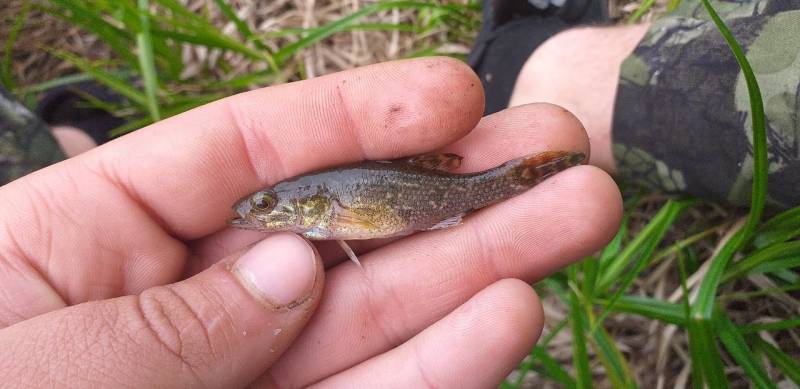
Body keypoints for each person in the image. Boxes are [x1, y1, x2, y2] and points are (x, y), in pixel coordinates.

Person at [0, 0, 797, 387]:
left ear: (307, 208)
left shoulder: (325, 216)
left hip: (448, 190)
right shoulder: (319, 217)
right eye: (269, 208)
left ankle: (59, 141)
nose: (260, 216)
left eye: (274, 207)